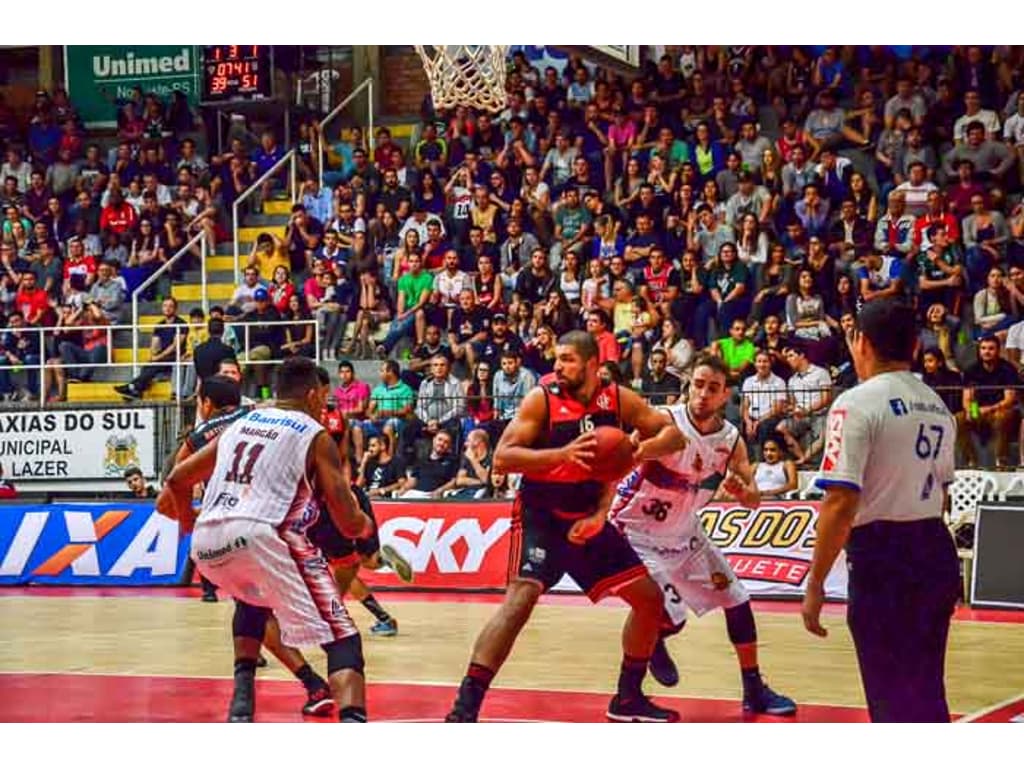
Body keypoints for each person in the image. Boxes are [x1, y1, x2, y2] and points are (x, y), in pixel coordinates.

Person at [445, 330, 687, 723]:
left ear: (592, 363)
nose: (558, 366)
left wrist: (635, 452)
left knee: (649, 601)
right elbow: (503, 459)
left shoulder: (618, 398)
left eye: (568, 359)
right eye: (557, 358)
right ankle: (464, 708)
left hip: (589, 518)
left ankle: (627, 699)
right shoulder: (541, 399)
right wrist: (562, 453)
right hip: (542, 515)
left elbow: (672, 434)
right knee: (519, 602)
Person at [157, 357, 373, 723]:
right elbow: (350, 525)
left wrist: (189, 525)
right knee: (343, 638)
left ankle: (243, 706)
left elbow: (177, 479)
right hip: (263, 533)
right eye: (323, 395)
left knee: (250, 600)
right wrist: (366, 524)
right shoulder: (314, 433)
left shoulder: (243, 422)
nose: (324, 403)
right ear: (312, 394)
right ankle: (353, 721)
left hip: (210, 544)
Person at [610, 354, 797, 716]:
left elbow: (754, 499)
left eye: (713, 388)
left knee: (738, 600)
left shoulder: (731, 439)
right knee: (670, 618)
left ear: (725, 395)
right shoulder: (663, 421)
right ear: (688, 386)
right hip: (637, 532)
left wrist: (743, 491)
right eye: (698, 384)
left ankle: (754, 689)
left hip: (685, 531)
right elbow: (624, 456)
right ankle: (632, 686)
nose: (703, 394)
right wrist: (646, 450)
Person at [804, 298, 959, 723]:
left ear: (862, 344)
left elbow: (840, 500)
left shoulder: (854, 403)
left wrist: (816, 581)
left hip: (883, 555)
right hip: (933, 547)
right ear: (913, 347)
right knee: (928, 691)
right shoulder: (939, 406)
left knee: (889, 696)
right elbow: (942, 494)